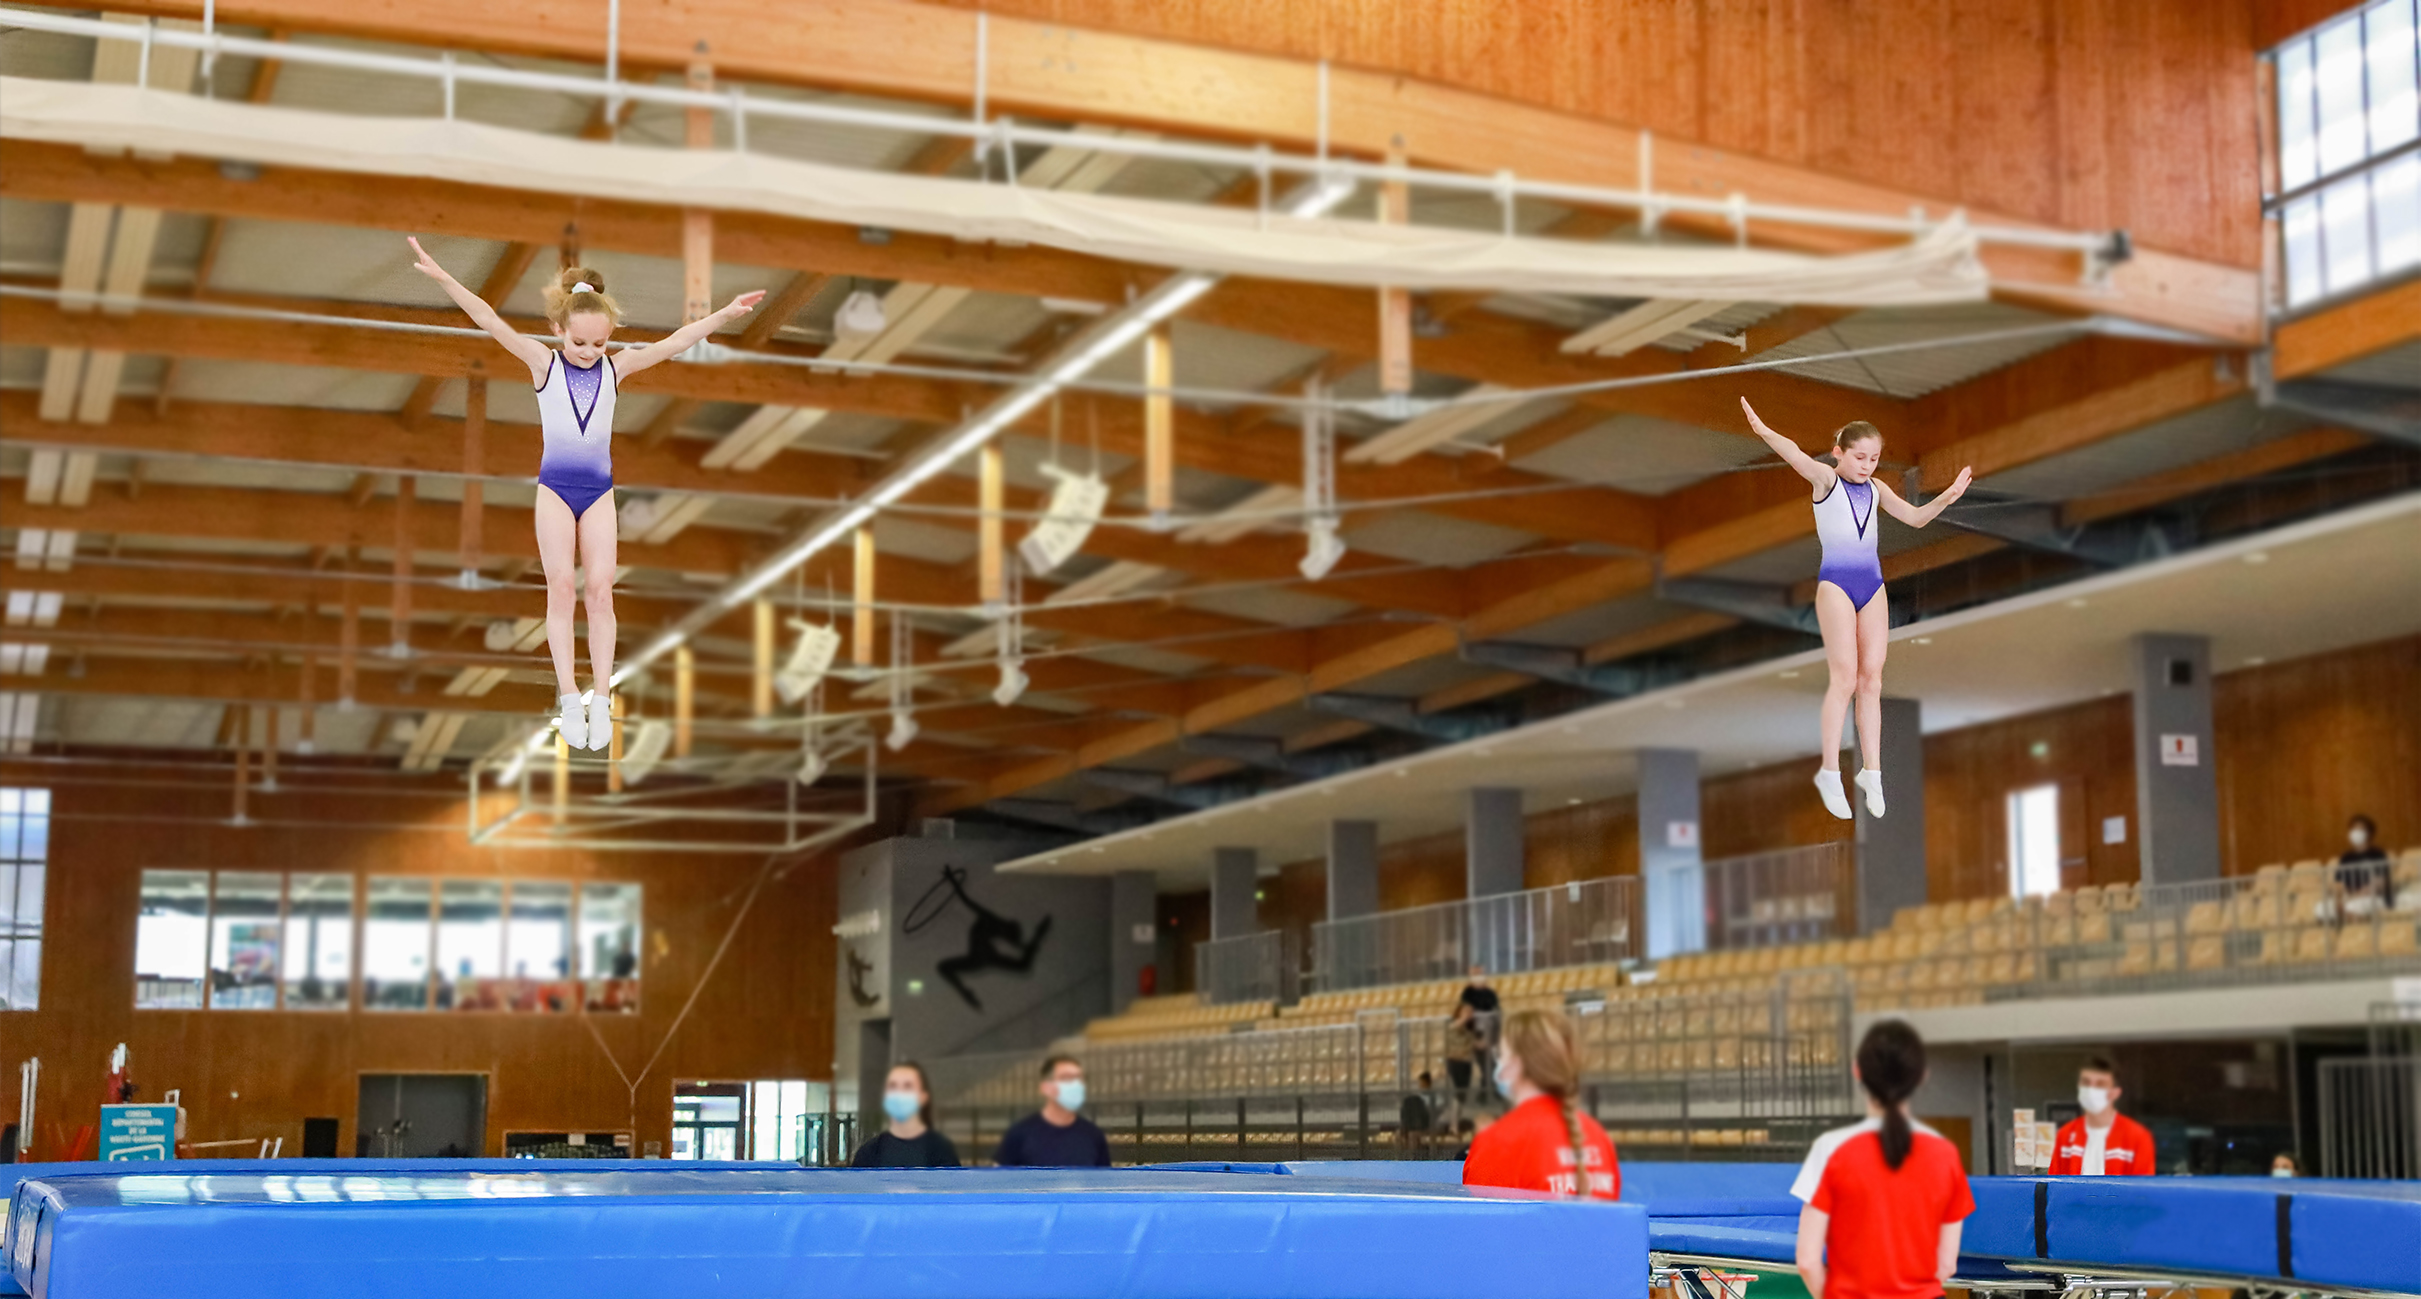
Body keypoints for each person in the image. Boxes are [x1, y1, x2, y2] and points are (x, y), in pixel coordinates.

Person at [407, 239, 764, 750]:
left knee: (600, 591)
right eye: (579, 344)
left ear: (609, 337)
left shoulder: (616, 369)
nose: (589, 353)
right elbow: (489, 320)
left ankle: (602, 697)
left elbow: (674, 343)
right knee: (562, 589)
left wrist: (724, 315)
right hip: (555, 489)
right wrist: (443, 279)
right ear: (558, 330)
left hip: (598, 493)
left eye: (599, 345)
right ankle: (570, 696)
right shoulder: (543, 364)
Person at [1741, 399, 1973, 821]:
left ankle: (1872, 772)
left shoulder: (1878, 490)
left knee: (1872, 680)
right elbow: (1793, 452)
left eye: (1875, 458)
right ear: (1839, 453)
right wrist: (1762, 430)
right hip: (1836, 585)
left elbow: (1917, 519)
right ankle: (1830, 772)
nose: (1867, 465)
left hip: (1872, 587)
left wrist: (1949, 497)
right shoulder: (1826, 482)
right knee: (1845, 677)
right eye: (1860, 457)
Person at [1793, 1021, 1973, 1299]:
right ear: (1921, 1077)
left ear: (1857, 1071)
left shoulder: (1830, 1148)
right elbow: (1946, 1265)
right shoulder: (1945, 1153)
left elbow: (1807, 1261)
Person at [1460, 1009, 1620, 1199]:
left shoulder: (1496, 1142)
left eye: (1501, 1055)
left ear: (1516, 1064)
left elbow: (1479, 1224)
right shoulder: (1598, 1137)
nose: (1499, 1065)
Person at [992, 1055, 1110, 1167]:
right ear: (1046, 1088)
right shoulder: (1019, 1134)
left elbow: (1105, 1183)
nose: (1076, 1084)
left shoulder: (1093, 1135)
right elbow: (996, 1182)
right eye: (1067, 1078)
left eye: (1079, 1078)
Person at [2047, 1056, 2155, 1176]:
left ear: (2115, 1093)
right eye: (2086, 1082)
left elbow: (2141, 1192)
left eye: (2100, 1084)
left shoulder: (2137, 1137)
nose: (2091, 1089)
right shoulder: (2065, 1135)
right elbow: (2054, 1189)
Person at [850, 1062, 961, 1169]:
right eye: (893, 1087)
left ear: (923, 1097)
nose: (899, 1094)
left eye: (907, 1087)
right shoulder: (869, 1153)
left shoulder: (941, 1151)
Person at [2336, 814, 2394, 915]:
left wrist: (2354, 896)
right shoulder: (2346, 857)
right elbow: (2338, 883)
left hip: (2373, 899)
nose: (2355, 833)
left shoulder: (2378, 854)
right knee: (2321, 909)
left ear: (2369, 833)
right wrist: (2341, 898)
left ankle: (2355, 929)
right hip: (2349, 897)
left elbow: (2379, 884)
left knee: (2353, 907)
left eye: (2360, 830)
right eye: (2353, 829)